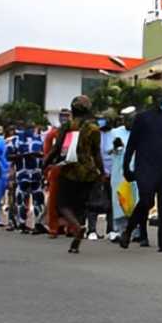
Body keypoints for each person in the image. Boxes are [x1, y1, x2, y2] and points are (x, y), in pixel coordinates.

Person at [120, 95, 162, 252]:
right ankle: (128, 230)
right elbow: (131, 144)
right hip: (146, 169)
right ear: (157, 102)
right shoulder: (142, 118)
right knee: (146, 202)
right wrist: (126, 167)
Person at [43, 95, 104, 254]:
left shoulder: (68, 126)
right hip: (88, 171)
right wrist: (101, 171)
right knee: (80, 205)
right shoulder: (94, 128)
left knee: (62, 204)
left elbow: (56, 150)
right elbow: (97, 153)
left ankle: (77, 227)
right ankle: (77, 237)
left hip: (70, 170)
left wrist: (45, 163)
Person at [107, 107, 144, 243]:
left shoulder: (141, 133)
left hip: (136, 171)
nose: (129, 123)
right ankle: (121, 230)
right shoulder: (115, 132)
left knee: (136, 200)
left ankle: (136, 230)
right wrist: (115, 147)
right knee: (120, 202)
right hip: (119, 173)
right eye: (127, 120)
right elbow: (108, 150)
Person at [8, 125, 46, 235]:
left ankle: (37, 224)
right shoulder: (15, 140)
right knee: (22, 200)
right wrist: (27, 155)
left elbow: (46, 154)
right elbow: (9, 156)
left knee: (37, 200)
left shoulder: (40, 139)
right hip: (23, 175)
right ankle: (23, 224)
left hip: (36, 175)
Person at [44, 109, 71, 238]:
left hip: (71, 170)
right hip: (55, 169)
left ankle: (71, 227)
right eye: (62, 116)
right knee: (53, 200)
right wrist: (46, 171)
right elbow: (47, 152)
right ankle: (54, 228)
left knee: (71, 200)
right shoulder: (52, 134)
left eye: (67, 116)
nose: (64, 118)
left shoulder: (75, 133)